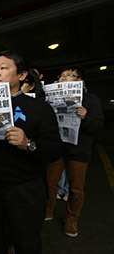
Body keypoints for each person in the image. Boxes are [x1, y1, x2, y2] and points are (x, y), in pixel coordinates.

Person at [0, 50, 62, 253]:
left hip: (24, 190)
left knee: (26, 243)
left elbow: (55, 149)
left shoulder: (39, 109)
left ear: (21, 75)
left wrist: (29, 144)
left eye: (3, 68)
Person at [45, 66, 104, 237]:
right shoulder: (53, 98)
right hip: (58, 148)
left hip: (79, 151)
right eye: (61, 76)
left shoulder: (91, 100)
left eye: (69, 75)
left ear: (79, 81)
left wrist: (86, 117)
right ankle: (48, 210)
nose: (63, 79)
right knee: (50, 182)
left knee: (76, 189)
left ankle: (72, 219)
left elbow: (98, 125)